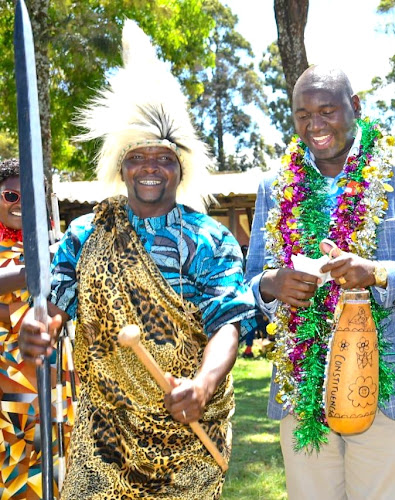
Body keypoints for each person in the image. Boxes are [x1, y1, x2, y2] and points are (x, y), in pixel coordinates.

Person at [18, 21, 256, 499]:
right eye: (138, 157)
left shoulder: (209, 238)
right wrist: (38, 326)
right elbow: (58, 300)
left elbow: (228, 322)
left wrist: (204, 384)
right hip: (104, 433)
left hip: (189, 438)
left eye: (164, 157)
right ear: (121, 167)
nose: (150, 166)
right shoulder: (86, 233)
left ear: (180, 168)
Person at [245, 65, 395, 499]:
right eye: (302, 114)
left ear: (355, 108)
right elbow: (251, 279)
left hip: (386, 392)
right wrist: (273, 284)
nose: (314, 125)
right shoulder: (274, 185)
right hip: (301, 385)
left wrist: (375, 272)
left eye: (327, 111)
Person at [0, 158, 73, 499]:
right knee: (9, 469)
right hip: (6, 383)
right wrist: (41, 262)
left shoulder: (57, 247)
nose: (20, 205)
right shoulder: (50, 253)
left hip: (50, 379)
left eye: (31, 197)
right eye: (11, 196)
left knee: (50, 472)